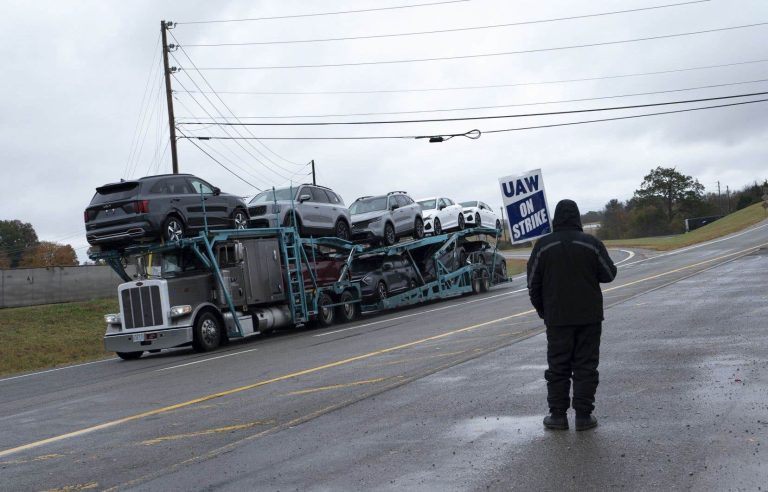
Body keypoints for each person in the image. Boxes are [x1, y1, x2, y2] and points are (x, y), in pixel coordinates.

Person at [526, 199, 617, 431]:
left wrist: (543, 310)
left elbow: (532, 283)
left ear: (556, 218)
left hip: (557, 317)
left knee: (558, 366)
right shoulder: (591, 243)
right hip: (589, 316)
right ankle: (584, 416)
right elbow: (609, 274)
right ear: (577, 218)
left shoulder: (542, 246)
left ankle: (557, 416)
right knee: (586, 365)